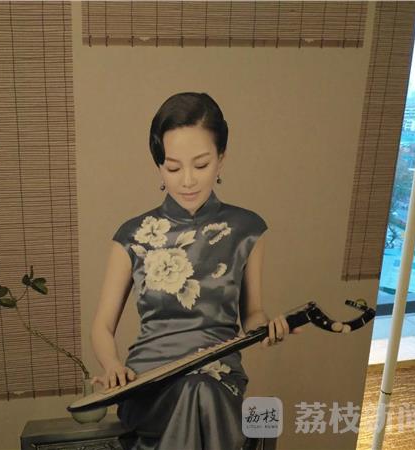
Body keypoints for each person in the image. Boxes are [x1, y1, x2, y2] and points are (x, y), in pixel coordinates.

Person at [90, 92, 302, 450]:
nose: (187, 180)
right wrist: (112, 365)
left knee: (201, 390)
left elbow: (252, 314)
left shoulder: (248, 229)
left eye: (200, 165)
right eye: (173, 168)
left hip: (219, 378)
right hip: (149, 382)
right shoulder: (132, 235)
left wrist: (268, 330)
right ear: (159, 166)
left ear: (221, 159)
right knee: (196, 394)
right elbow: (101, 326)